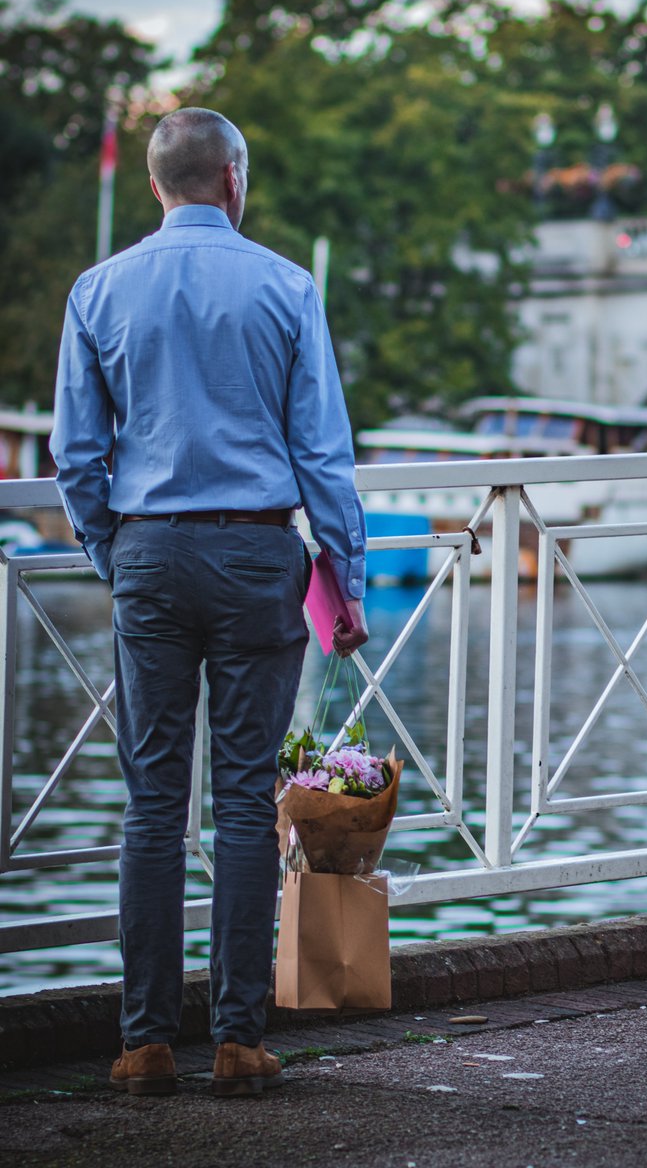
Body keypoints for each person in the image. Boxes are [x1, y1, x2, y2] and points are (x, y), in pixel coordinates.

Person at [50, 106, 369, 1098]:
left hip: (148, 554)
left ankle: (144, 1043)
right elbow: (322, 451)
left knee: (152, 806)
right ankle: (238, 1038)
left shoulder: (98, 290)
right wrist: (345, 574)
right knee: (241, 802)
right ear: (234, 179)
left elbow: (75, 453)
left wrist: (117, 551)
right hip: (258, 557)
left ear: (155, 184)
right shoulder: (286, 284)